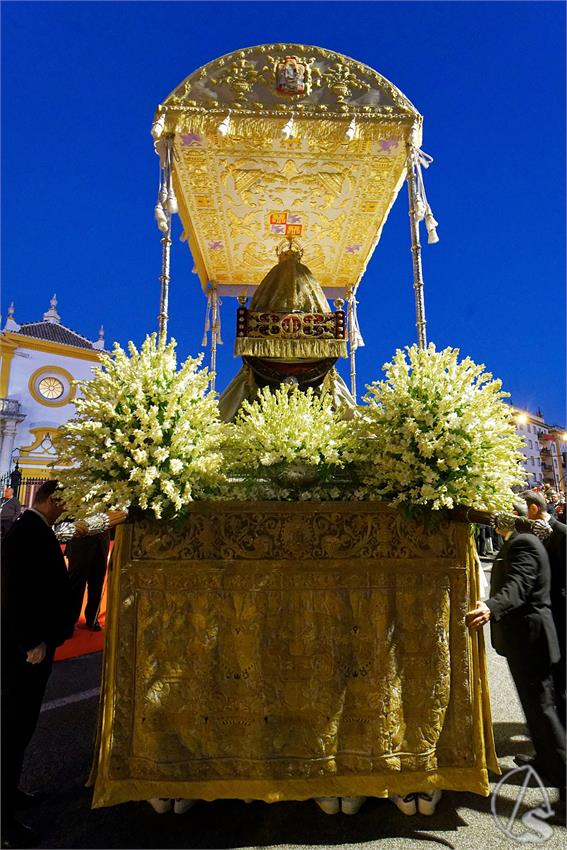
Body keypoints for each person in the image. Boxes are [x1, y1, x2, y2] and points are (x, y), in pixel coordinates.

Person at [466, 504, 566, 792]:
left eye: (496, 515)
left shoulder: (524, 542)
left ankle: (562, 778)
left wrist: (489, 607)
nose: (493, 521)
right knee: (536, 708)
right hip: (526, 640)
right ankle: (547, 763)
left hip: (531, 640)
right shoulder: (520, 541)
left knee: (543, 709)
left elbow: (518, 587)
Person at [1, 480, 73, 848]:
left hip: (37, 646)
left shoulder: (37, 529)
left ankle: (11, 793)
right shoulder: (25, 533)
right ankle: (4, 821)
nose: (64, 507)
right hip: (26, 651)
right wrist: (30, 642)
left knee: (22, 727)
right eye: (60, 501)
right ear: (43, 498)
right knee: (11, 731)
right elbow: (16, 593)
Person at [523, 489, 566, 727]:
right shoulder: (532, 533)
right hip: (545, 614)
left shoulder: (562, 533)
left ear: (533, 509)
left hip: (560, 613)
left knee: (561, 676)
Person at [66, 531, 111, 631]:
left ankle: (92, 618)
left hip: (101, 543)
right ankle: (69, 621)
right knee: (75, 584)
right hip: (81, 542)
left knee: (97, 584)